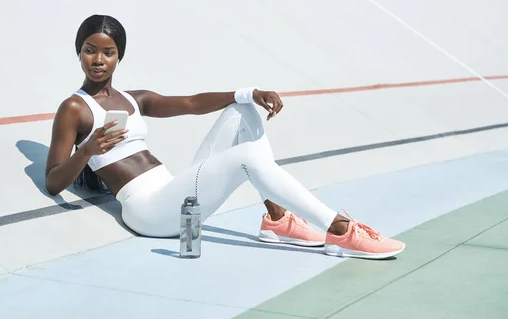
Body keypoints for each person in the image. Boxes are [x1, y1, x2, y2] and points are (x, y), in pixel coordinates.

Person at [45, 14, 405, 259]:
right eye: (90, 50)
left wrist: (248, 92)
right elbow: (53, 182)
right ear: (79, 53)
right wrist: (88, 149)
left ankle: (276, 220)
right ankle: (340, 229)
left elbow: (190, 102)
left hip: (175, 196)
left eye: (108, 52)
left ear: (118, 56)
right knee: (246, 158)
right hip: (148, 211)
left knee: (242, 111)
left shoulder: (132, 99)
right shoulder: (73, 109)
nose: (98, 59)